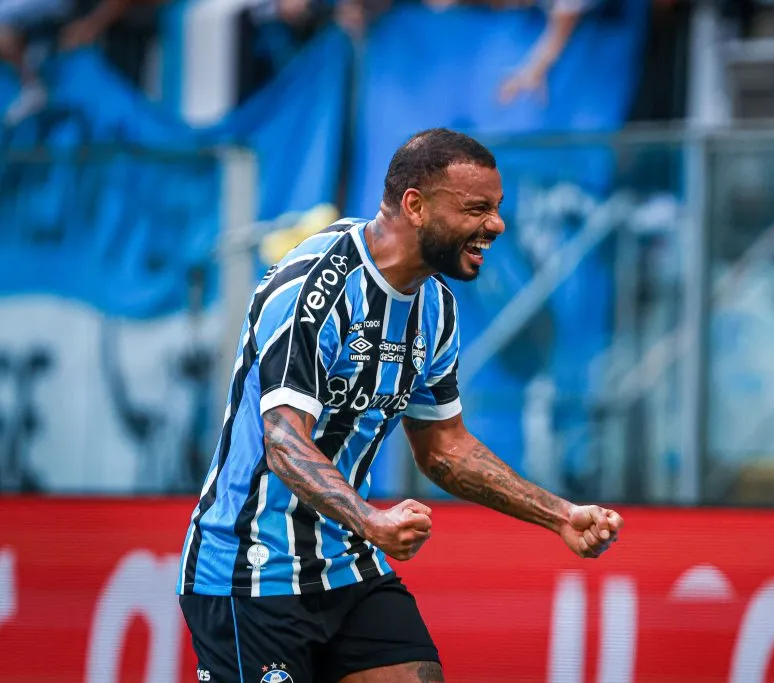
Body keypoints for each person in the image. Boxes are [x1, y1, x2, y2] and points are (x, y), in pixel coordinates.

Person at [176, 128, 623, 683]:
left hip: (350, 563)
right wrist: (373, 520)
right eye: (476, 208)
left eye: (497, 208)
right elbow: (285, 443)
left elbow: (444, 451)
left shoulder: (436, 308)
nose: (497, 225)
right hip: (250, 571)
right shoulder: (317, 286)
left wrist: (559, 516)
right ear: (415, 205)